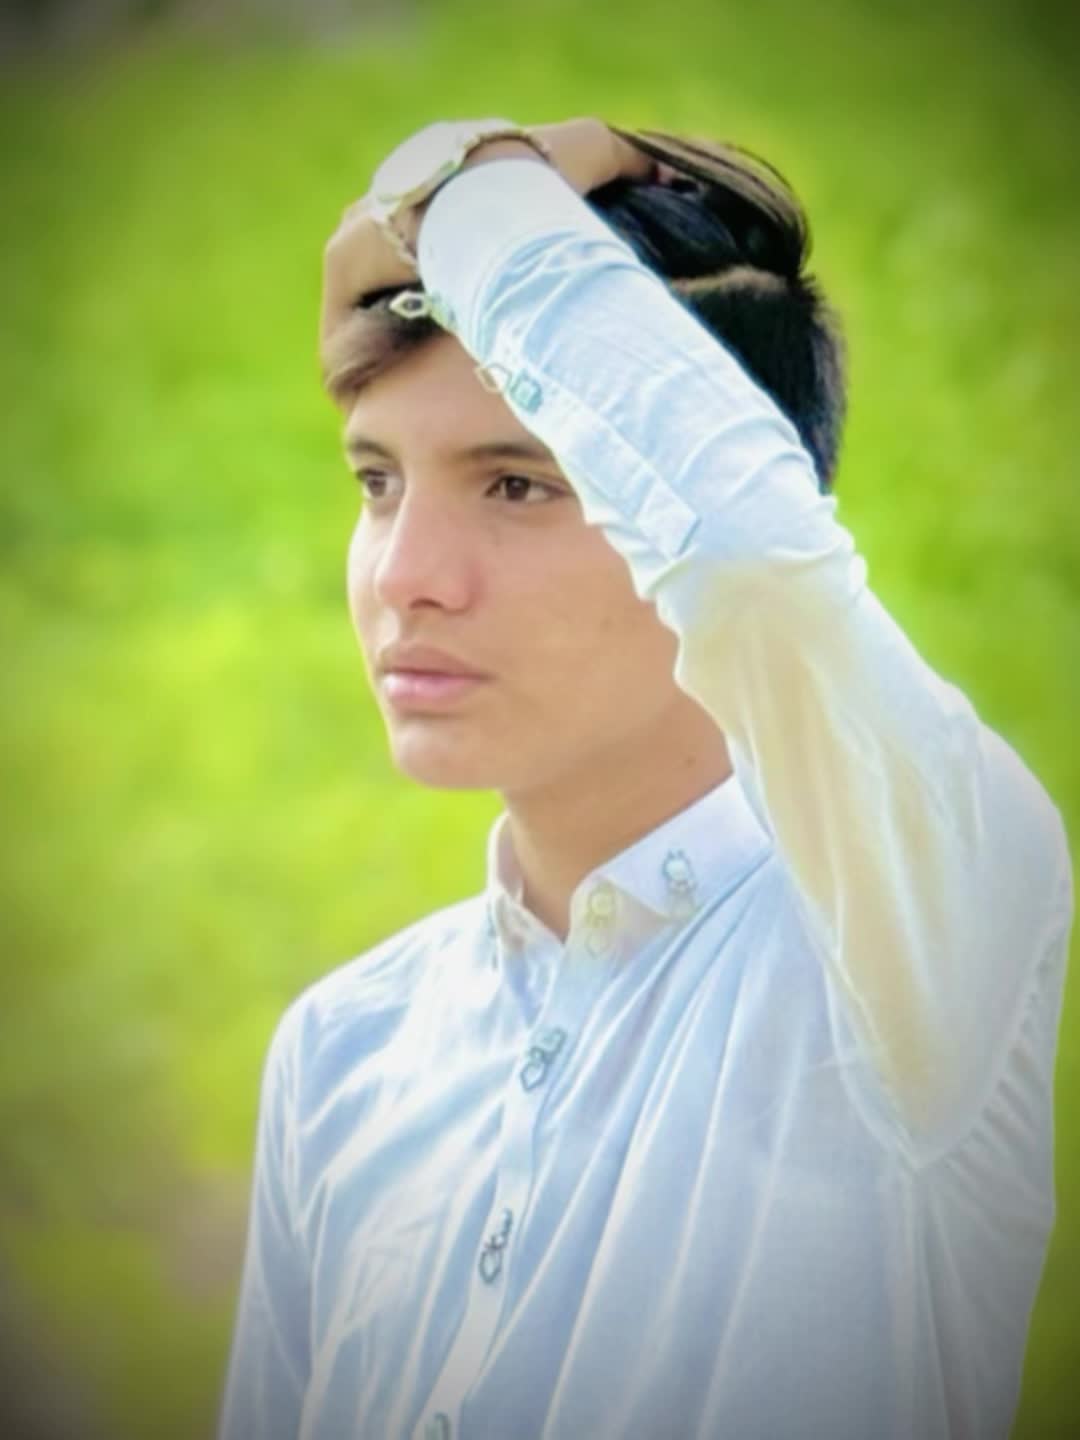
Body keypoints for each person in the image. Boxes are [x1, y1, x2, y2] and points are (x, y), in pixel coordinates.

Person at [218, 117, 1074, 1440]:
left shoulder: (916, 944)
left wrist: (469, 184)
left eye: (519, 486)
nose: (405, 576)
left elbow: (743, 559)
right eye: (378, 482)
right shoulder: (344, 1052)